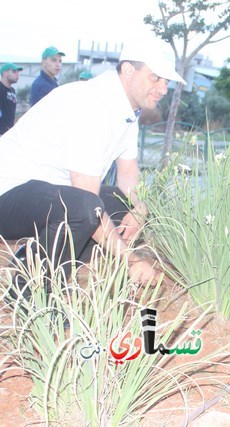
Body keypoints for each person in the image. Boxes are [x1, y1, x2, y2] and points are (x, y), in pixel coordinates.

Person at [0, 39, 186, 295]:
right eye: (156, 78)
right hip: (9, 191)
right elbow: (86, 198)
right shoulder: (93, 104)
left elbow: (128, 172)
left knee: (118, 203)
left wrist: (141, 209)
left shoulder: (128, 111)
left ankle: (32, 259)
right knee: (86, 209)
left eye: (167, 81)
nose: (163, 88)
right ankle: (30, 291)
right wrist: (130, 259)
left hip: (44, 193)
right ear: (129, 71)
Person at [0, 63, 23, 135]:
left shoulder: (12, 90)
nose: (17, 74)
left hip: (8, 132)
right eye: (14, 71)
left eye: (17, 72)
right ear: (4, 73)